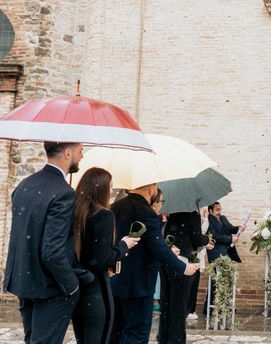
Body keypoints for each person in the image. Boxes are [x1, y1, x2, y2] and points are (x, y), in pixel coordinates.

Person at [4, 141, 93, 344]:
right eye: (80, 151)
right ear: (68, 153)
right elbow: (51, 251)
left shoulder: (25, 185)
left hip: (24, 281)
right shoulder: (63, 193)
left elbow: (22, 236)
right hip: (51, 286)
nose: (82, 156)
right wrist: (72, 286)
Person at [110, 183, 199, 344]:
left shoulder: (115, 207)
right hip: (138, 284)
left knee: (116, 332)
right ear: (151, 190)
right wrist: (183, 267)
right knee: (136, 333)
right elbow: (156, 246)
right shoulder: (146, 212)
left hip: (116, 280)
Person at [71, 167, 140, 344]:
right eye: (110, 186)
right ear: (101, 188)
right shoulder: (104, 215)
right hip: (96, 289)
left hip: (78, 287)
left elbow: (87, 253)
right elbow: (101, 260)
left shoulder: (77, 213)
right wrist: (124, 246)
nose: (111, 190)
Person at [158, 211, 212, 344]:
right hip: (181, 261)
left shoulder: (173, 214)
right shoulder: (193, 214)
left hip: (167, 261)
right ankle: (176, 340)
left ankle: (164, 338)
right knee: (179, 305)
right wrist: (208, 239)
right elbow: (197, 239)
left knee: (167, 302)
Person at [203, 202, 244, 314]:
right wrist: (230, 239)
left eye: (220, 209)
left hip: (226, 252)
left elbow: (230, 229)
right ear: (211, 210)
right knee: (215, 279)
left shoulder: (223, 218)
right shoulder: (209, 221)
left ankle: (224, 305)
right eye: (217, 210)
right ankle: (211, 307)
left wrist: (238, 228)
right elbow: (214, 236)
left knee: (225, 279)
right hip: (215, 253)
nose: (219, 212)